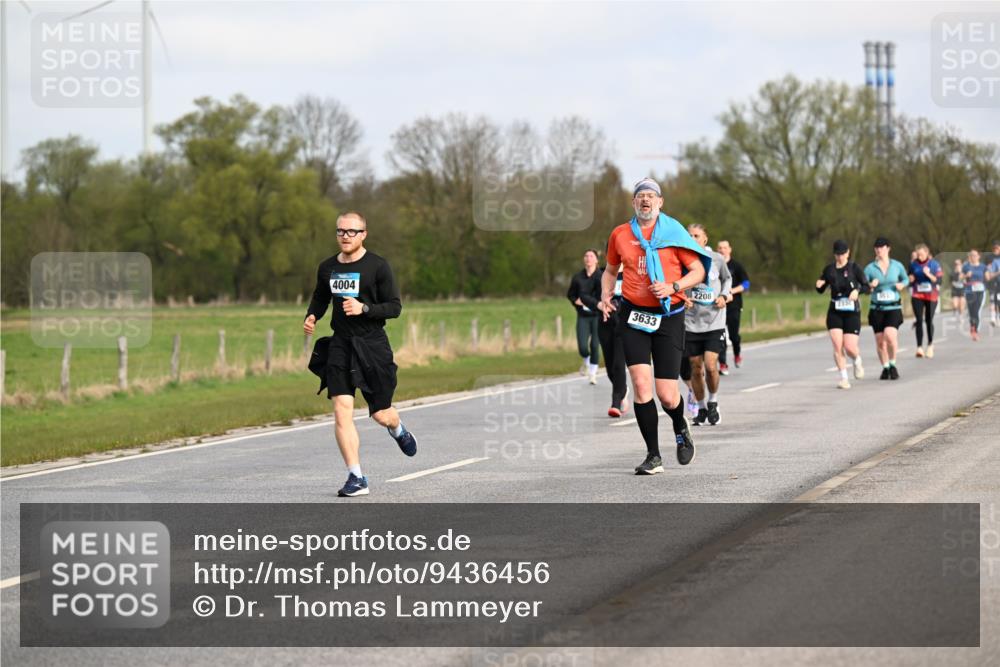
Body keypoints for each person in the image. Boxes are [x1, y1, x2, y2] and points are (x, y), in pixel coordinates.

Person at [303, 212, 417, 497]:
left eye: (352, 232)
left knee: (380, 413)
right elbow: (320, 296)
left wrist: (364, 309)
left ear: (364, 234)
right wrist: (312, 316)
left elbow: (394, 307)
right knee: (342, 410)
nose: (345, 236)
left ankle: (398, 428)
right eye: (341, 231)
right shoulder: (327, 267)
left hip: (372, 345)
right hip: (341, 344)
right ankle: (356, 476)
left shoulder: (378, 266)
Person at [600, 177, 710, 475]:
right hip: (633, 316)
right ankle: (653, 455)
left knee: (666, 394)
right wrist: (606, 293)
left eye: (651, 196)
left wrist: (674, 285)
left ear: (660, 202)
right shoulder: (620, 234)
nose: (645, 200)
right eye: (640, 196)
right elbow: (610, 271)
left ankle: (679, 423)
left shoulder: (673, 231)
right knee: (640, 384)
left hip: (668, 315)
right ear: (633, 202)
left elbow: (698, 270)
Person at [685, 224, 732, 426]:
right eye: (689, 235)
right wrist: (681, 297)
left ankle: (713, 401)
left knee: (711, 365)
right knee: (696, 368)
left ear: (705, 239)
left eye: (696, 235)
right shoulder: (682, 259)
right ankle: (702, 407)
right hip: (691, 322)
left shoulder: (717, 259)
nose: (693, 238)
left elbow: (727, 279)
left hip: (714, 320)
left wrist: (723, 296)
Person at [816, 240, 869, 389]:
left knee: (850, 347)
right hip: (835, 311)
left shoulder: (854, 268)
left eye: (842, 254)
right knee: (837, 346)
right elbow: (821, 287)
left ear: (848, 253)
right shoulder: (829, 270)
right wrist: (818, 285)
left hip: (852, 312)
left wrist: (857, 291)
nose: (840, 257)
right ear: (834, 254)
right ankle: (844, 378)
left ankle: (857, 360)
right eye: (837, 254)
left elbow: (866, 286)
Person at [864, 237, 908, 380]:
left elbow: (905, 279)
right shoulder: (870, 268)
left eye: (881, 247)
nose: (879, 250)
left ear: (888, 249)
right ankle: (885, 367)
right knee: (880, 341)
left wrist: (902, 285)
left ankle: (893, 363)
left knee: (890, 336)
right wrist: (870, 285)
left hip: (893, 307)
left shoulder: (897, 266)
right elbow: (863, 287)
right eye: (876, 248)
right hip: (877, 308)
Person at [597, 268, 630, 417]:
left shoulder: (631, 273)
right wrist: (598, 304)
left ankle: (615, 403)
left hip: (624, 323)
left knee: (618, 364)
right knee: (610, 368)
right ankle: (623, 389)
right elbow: (585, 296)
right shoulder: (602, 275)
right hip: (605, 323)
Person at [567, 249, 603, 385]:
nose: (588, 258)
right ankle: (586, 361)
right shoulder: (578, 277)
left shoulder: (601, 276)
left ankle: (593, 374)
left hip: (597, 315)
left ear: (596, 260)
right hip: (583, 315)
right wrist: (575, 301)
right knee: (583, 346)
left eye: (591, 256)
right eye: (586, 256)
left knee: (595, 345)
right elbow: (570, 294)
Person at [716, 240, 749, 372]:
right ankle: (723, 363)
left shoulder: (736, 266)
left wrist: (731, 291)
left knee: (734, 335)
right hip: (719, 305)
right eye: (720, 248)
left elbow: (746, 284)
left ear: (729, 249)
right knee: (721, 335)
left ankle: (737, 353)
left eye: (725, 248)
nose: (722, 250)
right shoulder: (714, 265)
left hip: (734, 305)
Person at [908, 243, 943, 359]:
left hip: (931, 295)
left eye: (921, 254)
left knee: (928, 320)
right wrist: (911, 279)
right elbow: (910, 278)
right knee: (918, 320)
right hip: (917, 294)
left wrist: (928, 274)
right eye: (918, 255)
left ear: (927, 253)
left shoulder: (934, 265)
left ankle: (930, 345)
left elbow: (938, 280)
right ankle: (919, 347)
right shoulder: (913, 264)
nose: (919, 257)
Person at [963, 249, 988, 341]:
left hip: (980, 290)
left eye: (974, 255)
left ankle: (975, 330)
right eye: (971, 255)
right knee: (971, 311)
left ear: (978, 256)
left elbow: (988, 277)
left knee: (977, 310)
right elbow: (960, 277)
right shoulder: (966, 266)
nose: (973, 257)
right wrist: (966, 276)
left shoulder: (983, 267)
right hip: (969, 291)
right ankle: (972, 326)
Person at [950, 258, 966, 323]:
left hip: (962, 289)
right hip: (955, 290)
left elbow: (965, 280)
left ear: (961, 264)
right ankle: (955, 313)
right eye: (956, 264)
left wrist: (961, 273)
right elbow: (951, 282)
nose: (957, 265)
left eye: (958, 264)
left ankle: (961, 316)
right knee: (955, 304)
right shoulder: (952, 273)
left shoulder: (964, 272)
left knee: (961, 304)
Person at [988, 241, 1000, 327]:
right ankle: (993, 318)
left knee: (998, 301)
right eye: (994, 248)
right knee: (994, 300)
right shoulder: (993, 260)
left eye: (997, 248)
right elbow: (990, 273)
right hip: (995, 283)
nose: (996, 250)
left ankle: (997, 317)